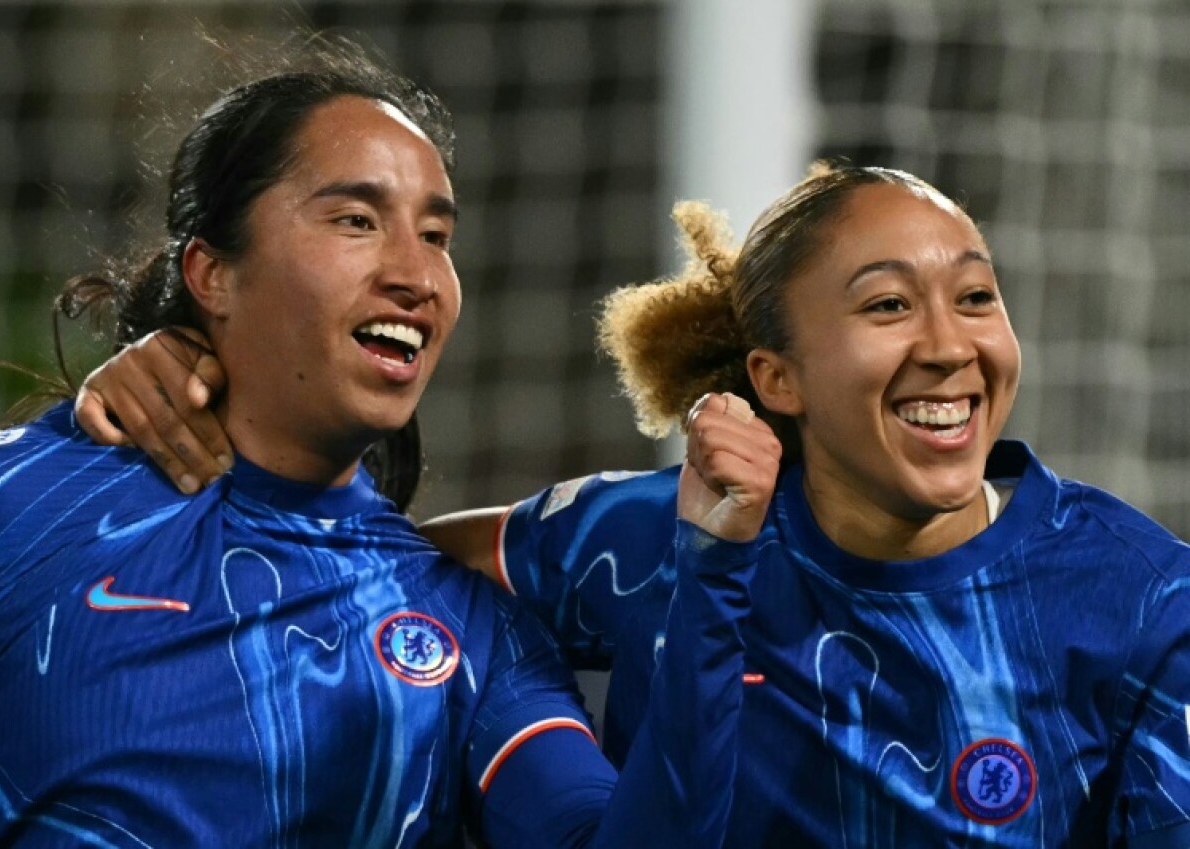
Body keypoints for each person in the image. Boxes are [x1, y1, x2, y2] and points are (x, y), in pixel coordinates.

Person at [72, 162, 1190, 847]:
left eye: (978, 297)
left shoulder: (1140, 601)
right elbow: (368, 571)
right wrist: (179, 390)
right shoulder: (640, 542)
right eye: (888, 305)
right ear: (777, 379)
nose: (950, 346)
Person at [0, 36, 777, 848]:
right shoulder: (11, 503)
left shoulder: (471, 634)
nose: (416, 276)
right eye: (357, 219)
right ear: (212, 274)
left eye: (435, 236)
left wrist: (711, 578)